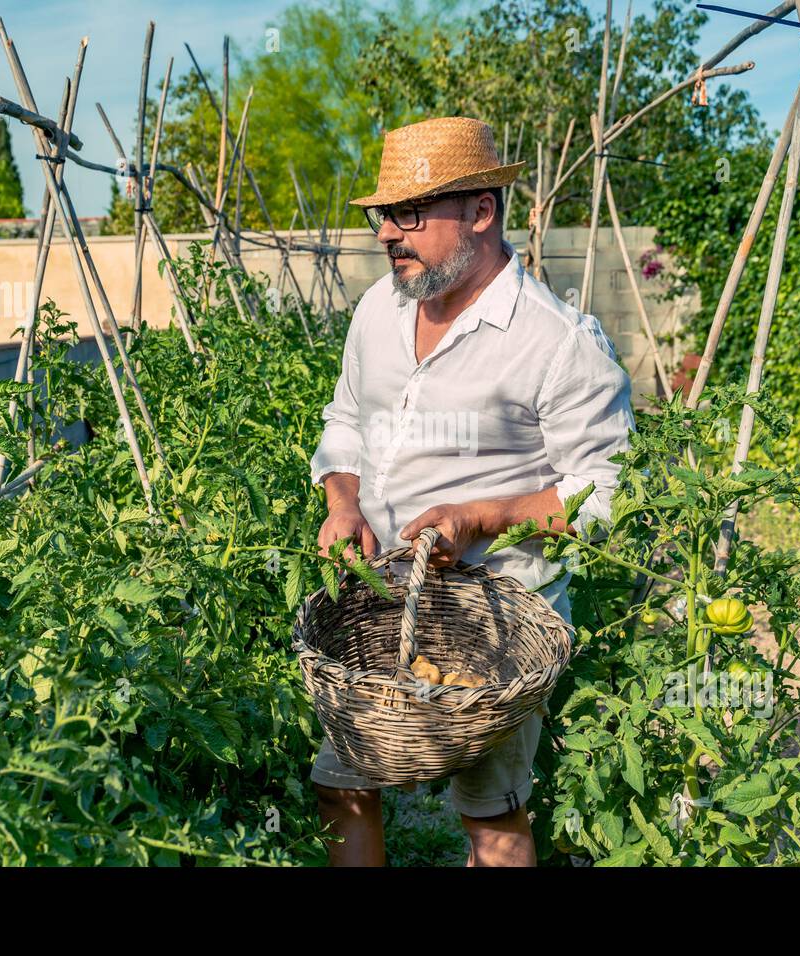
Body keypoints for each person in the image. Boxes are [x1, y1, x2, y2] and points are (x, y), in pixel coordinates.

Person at [308, 116, 634, 866]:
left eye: (411, 213)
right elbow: (346, 419)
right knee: (344, 789)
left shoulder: (556, 343)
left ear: (481, 212)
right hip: (379, 600)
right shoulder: (377, 313)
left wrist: (483, 515)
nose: (390, 233)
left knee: (491, 818)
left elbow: (608, 495)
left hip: (495, 617)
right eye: (383, 216)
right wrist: (343, 503)